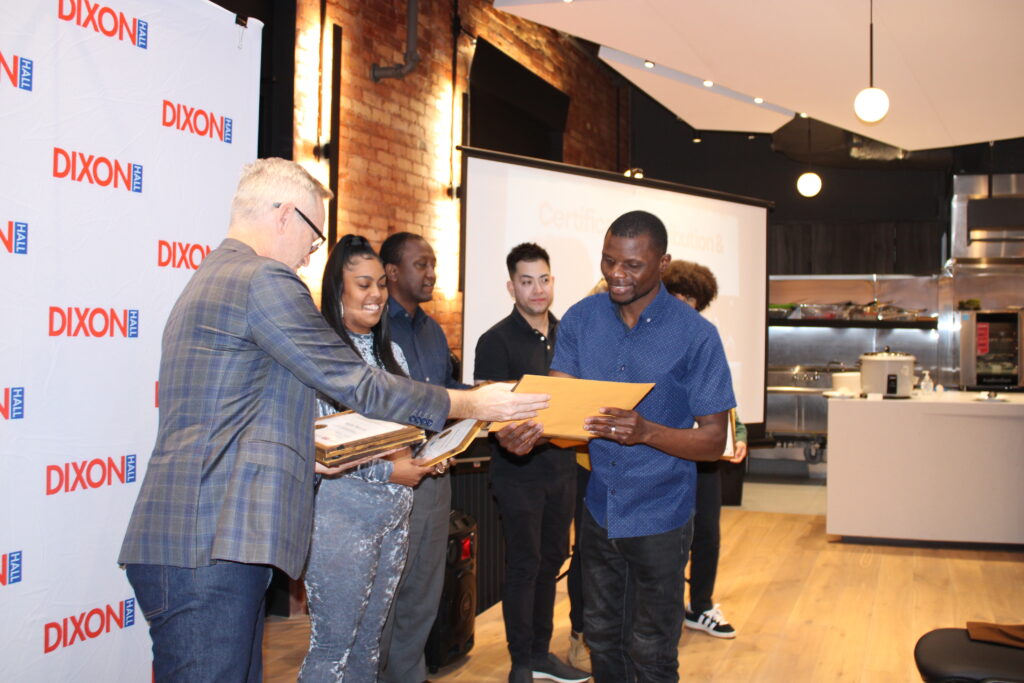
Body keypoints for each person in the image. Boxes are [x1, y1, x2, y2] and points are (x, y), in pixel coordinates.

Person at [118, 158, 547, 683]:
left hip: (202, 539)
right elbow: (357, 383)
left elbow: (231, 411)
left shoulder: (215, 274)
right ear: (283, 215)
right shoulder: (262, 278)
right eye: (313, 235)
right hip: (209, 541)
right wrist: (474, 404)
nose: (309, 252)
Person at [498, 210, 736, 683]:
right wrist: (528, 430)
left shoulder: (696, 335)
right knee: (602, 638)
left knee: (651, 651)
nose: (616, 275)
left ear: (662, 264)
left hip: (662, 514)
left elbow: (714, 440)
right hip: (599, 508)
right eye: (609, 262)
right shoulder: (584, 319)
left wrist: (648, 432)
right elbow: (560, 407)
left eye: (632, 265)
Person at [299, 235, 439, 681]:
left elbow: (402, 430)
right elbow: (321, 446)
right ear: (336, 290)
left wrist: (426, 453)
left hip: (394, 520)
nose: (376, 295)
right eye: (363, 284)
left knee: (369, 647)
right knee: (333, 649)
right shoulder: (319, 354)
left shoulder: (391, 352)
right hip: (341, 521)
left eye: (380, 283)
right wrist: (390, 471)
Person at [474, 243, 590, 683]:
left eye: (543, 279)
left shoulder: (567, 334)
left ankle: (542, 653)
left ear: (552, 282)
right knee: (525, 564)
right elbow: (489, 411)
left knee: (552, 559)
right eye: (526, 281)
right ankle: (521, 661)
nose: (537, 289)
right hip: (517, 473)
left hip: (563, 468)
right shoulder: (495, 340)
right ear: (511, 286)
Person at [378, 231, 467, 683]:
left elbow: (445, 396)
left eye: (433, 264)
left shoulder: (433, 330)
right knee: (386, 594)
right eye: (421, 265)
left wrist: (486, 397)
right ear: (391, 272)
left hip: (435, 476)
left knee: (424, 593)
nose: (432, 273)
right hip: (390, 478)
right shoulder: (374, 327)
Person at [662, 259, 748, 639]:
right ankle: (665, 607)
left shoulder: (706, 340)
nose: (683, 303)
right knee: (668, 533)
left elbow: (725, 402)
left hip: (707, 455)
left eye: (690, 298)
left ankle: (701, 606)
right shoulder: (649, 343)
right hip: (665, 453)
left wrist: (739, 433)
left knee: (708, 533)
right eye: (676, 295)